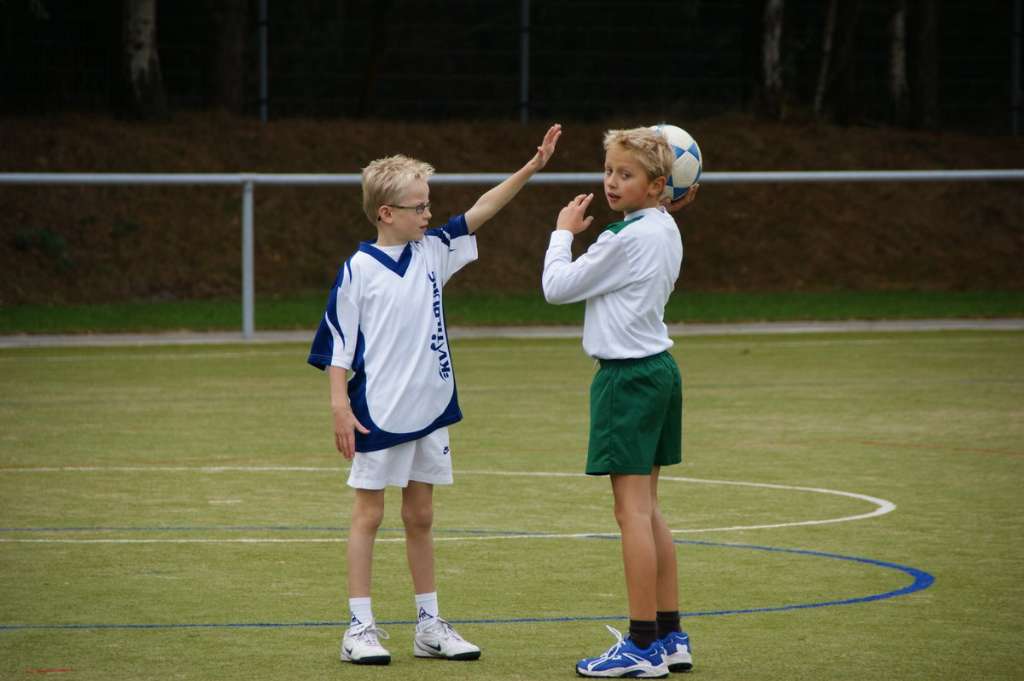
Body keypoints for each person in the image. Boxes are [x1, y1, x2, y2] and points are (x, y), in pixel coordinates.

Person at [307, 124, 561, 666]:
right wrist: (339, 406)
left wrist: (532, 167)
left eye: (429, 206)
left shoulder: (434, 251)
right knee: (368, 516)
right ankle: (359, 628)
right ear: (386, 213)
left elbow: (482, 208)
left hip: (430, 412)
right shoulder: (358, 271)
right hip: (377, 415)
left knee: (420, 516)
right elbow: (337, 347)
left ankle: (429, 625)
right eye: (418, 207)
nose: (428, 215)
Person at [541, 127, 699, 678]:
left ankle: (642, 646)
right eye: (608, 171)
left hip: (626, 379)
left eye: (625, 174)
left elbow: (556, 287)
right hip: (660, 371)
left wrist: (562, 234)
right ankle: (672, 636)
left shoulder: (624, 238)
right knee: (650, 509)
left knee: (630, 511)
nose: (611, 182)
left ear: (659, 185)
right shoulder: (664, 227)